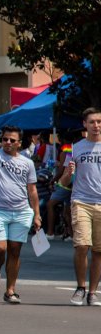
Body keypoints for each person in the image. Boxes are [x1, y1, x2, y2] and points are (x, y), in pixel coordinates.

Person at [0, 107, 40, 304]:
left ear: (19, 143)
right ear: (0, 140)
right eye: (5, 139)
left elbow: (32, 191)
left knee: (15, 250)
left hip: (21, 212)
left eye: (12, 140)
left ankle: (10, 290)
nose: (8, 143)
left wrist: (36, 214)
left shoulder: (27, 163)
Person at [60, 108, 101, 306]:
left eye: (99, 122)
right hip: (81, 201)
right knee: (82, 245)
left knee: (99, 251)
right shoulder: (75, 148)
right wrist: (68, 172)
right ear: (85, 124)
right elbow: (64, 181)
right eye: (92, 122)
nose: (96, 125)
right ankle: (80, 287)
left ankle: (93, 292)